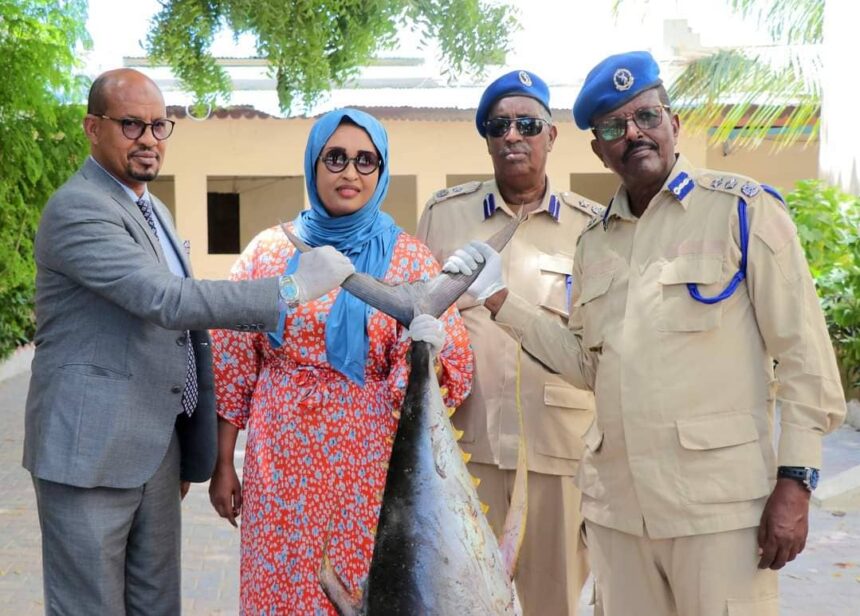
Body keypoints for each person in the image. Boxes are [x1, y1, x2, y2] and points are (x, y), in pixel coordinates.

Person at [445, 51, 846, 615]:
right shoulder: (595, 242)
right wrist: (499, 298)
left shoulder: (742, 211)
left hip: (719, 513)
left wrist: (796, 479)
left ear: (673, 123)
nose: (633, 133)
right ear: (598, 149)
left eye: (646, 116)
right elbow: (588, 365)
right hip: (619, 516)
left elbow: (805, 357)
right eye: (613, 127)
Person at [22, 68, 354, 615]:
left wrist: (189, 446)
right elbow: (167, 300)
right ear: (92, 128)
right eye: (131, 124)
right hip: (89, 456)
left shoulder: (153, 209)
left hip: (155, 449)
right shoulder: (78, 208)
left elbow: (183, 337)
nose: (149, 139)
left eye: (159, 125)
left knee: (158, 606)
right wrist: (289, 289)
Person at [208, 108, 474, 614]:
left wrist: (426, 352)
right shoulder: (269, 252)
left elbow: (445, 374)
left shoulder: (410, 260)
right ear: (313, 164)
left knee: (358, 593)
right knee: (279, 586)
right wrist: (223, 465)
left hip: (369, 467)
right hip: (278, 464)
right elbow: (233, 363)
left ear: (381, 170)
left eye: (365, 160)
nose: (350, 172)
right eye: (335, 158)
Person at [416, 69, 602, 615]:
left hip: (557, 452)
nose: (513, 135)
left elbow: (599, 346)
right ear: (488, 140)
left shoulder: (592, 228)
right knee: (462, 602)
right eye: (499, 126)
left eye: (528, 124)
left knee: (554, 605)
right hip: (463, 451)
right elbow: (422, 324)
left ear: (552, 135)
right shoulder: (445, 215)